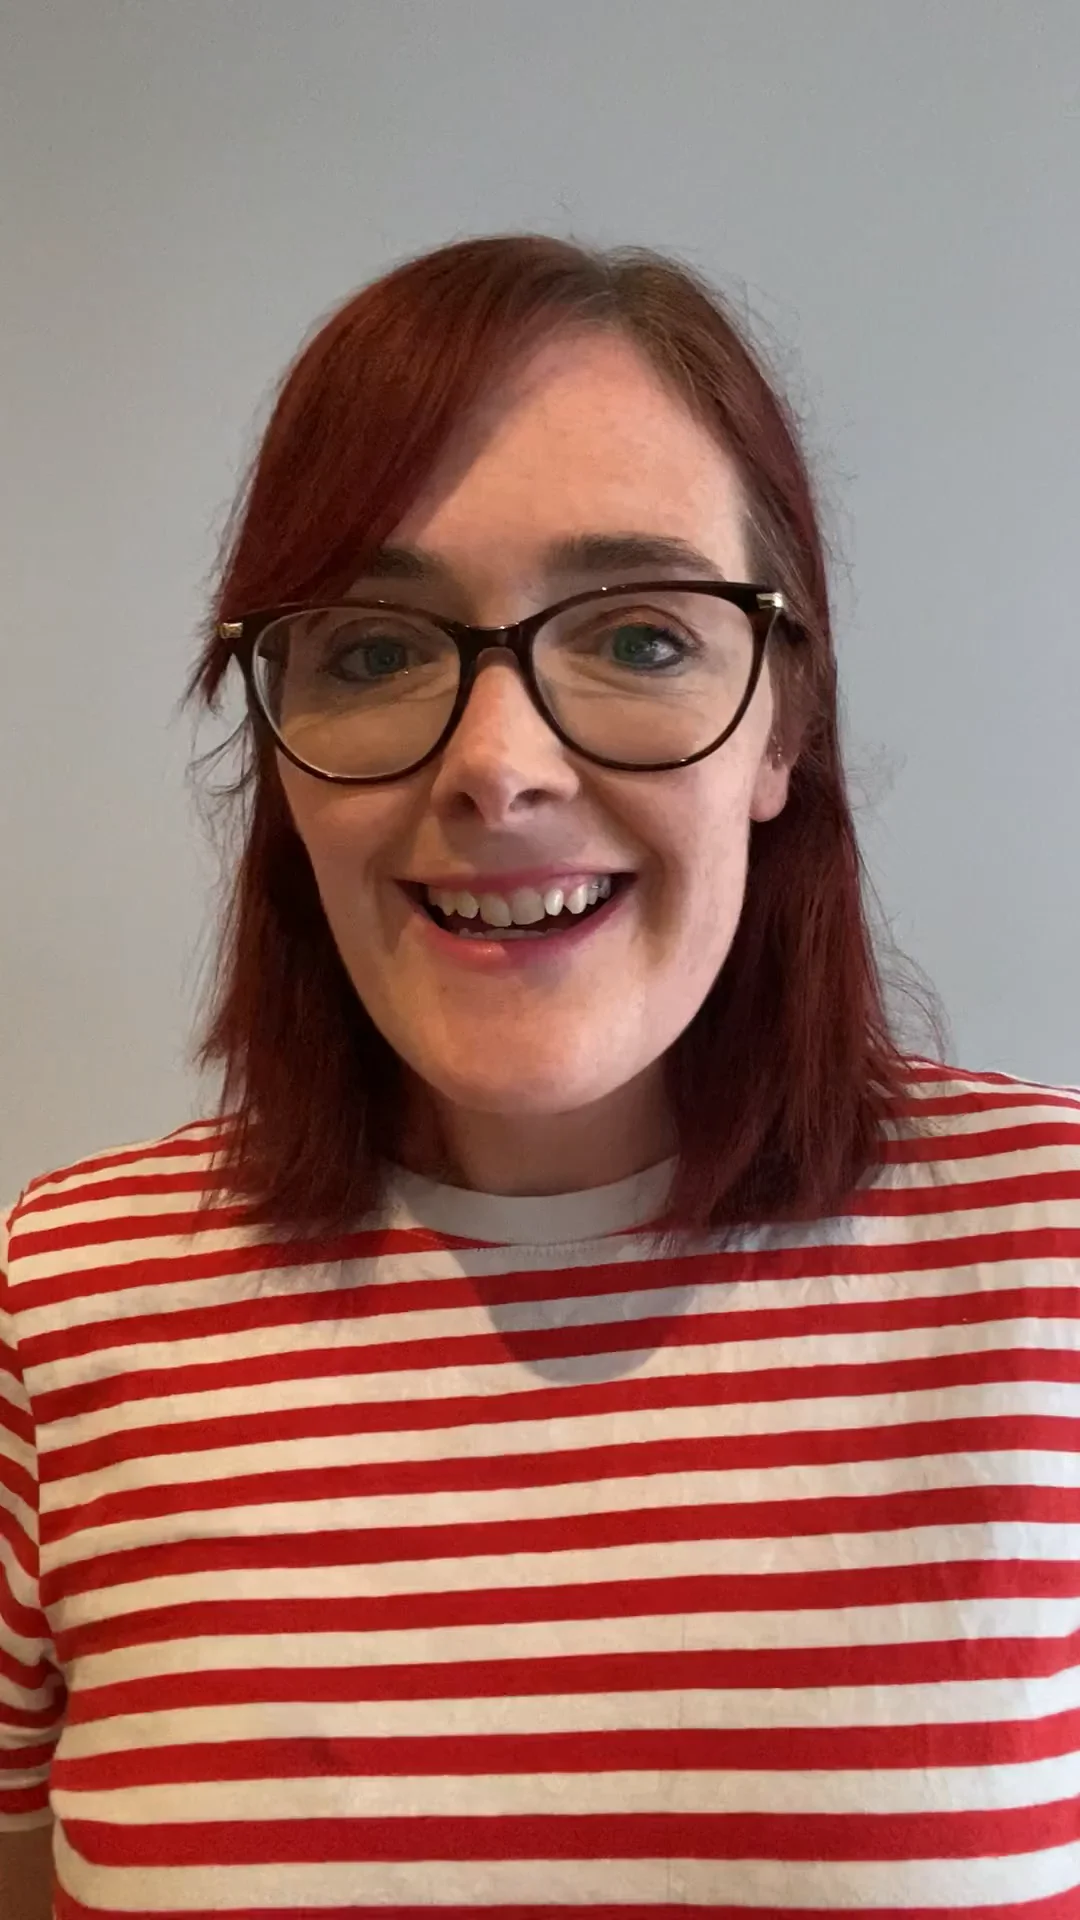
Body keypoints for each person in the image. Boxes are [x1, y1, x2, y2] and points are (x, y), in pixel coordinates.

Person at [1, 234, 1078, 1920]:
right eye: (373, 650)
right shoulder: (62, 1302)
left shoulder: (1049, 1256)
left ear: (785, 722)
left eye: (640, 638)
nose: (498, 768)